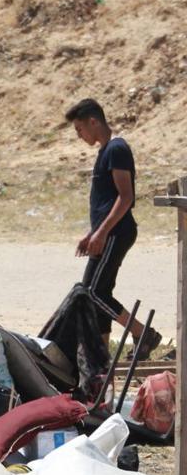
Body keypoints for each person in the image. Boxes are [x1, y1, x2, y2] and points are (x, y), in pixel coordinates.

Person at [65, 98, 160, 357]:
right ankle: (102, 356)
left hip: (117, 232)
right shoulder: (105, 151)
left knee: (91, 292)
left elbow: (126, 196)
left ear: (93, 121)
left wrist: (103, 232)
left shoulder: (117, 149)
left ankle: (143, 333)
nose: (79, 135)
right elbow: (106, 201)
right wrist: (92, 233)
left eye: (80, 129)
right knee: (100, 293)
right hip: (106, 232)